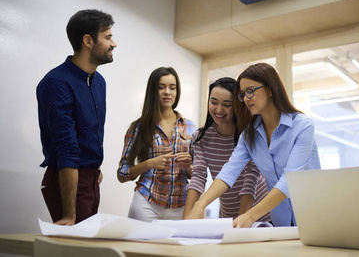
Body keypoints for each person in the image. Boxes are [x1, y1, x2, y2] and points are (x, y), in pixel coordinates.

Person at [184, 63, 321, 227]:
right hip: (281, 221)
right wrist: (200, 205)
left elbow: (289, 180)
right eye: (243, 94)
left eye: (251, 91)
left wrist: (249, 216)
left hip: (312, 216)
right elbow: (228, 172)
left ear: (270, 89)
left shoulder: (302, 126)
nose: (246, 98)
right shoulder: (249, 134)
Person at [37, 9, 116, 225]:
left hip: (90, 180)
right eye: (108, 37)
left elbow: (89, 133)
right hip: (68, 179)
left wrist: (94, 168)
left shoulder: (99, 81)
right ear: (88, 41)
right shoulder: (56, 83)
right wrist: (69, 215)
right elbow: (67, 148)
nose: (114, 43)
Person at [183, 77, 270, 221]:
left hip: (259, 214)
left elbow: (251, 177)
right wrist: (186, 220)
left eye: (227, 105)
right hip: (227, 216)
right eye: (214, 102)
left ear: (237, 106)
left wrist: (243, 218)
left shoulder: (249, 133)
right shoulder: (201, 137)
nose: (218, 110)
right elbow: (198, 176)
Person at [117, 67, 196, 222]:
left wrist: (188, 167)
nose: (167, 92)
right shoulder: (138, 127)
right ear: (153, 91)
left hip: (181, 206)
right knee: (142, 247)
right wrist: (148, 164)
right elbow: (122, 173)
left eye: (172, 88)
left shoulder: (190, 127)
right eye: (161, 87)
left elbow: (198, 175)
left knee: (176, 246)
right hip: (146, 203)